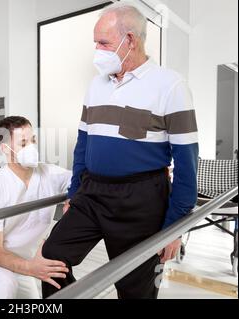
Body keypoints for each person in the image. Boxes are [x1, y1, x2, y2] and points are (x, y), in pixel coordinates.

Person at [41, 3, 199, 299]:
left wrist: (175, 227)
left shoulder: (171, 86)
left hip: (142, 199)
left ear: (130, 41)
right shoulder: (96, 85)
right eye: (95, 43)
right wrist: (74, 193)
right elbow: (83, 145)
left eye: (104, 43)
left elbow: (188, 164)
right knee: (53, 255)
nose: (97, 51)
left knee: (134, 286)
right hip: (93, 191)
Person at [0, 116, 71, 299]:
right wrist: (30, 268)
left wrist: (74, 196)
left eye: (33, 140)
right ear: (5, 148)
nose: (31, 147)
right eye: (23, 143)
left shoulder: (48, 173)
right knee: (4, 282)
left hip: (23, 262)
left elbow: (78, 180)